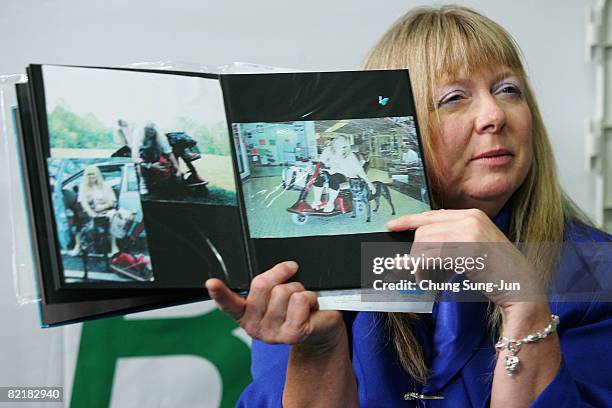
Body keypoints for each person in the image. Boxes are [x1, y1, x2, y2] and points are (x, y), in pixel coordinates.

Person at [206, 5, 612, 407]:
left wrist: (525, 304)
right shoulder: (317, 261)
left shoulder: (597, 268)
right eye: (454, 98)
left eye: (509, 90)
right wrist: (318, 350)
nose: (493, 115)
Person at [311, 135, 374, 212]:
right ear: (334, 144)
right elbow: (322, 162)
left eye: (343, 146)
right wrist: (326, 165)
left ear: (346, 146)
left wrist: (369, 184)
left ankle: (330, 203)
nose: (340, 148)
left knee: (334, 178)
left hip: (344, 174)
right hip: (328, 171)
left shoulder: (350, 155)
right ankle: (317, 200)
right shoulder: (328, 150)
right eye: (338, 145)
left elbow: (359, 170)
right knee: (318, 178)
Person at [68, 165, 119, 256]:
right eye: (89, 175)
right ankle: (78, 246)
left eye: (93, 174)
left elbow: (112, 202)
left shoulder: (105, 185)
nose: (91, 177)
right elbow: (83, 202)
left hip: (104, 210)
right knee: (78, 221)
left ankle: (114, 247)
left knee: (113, 219)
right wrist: (90, 212)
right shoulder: (83, 186)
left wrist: (102, 207)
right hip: (88, 211)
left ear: (98, 175)